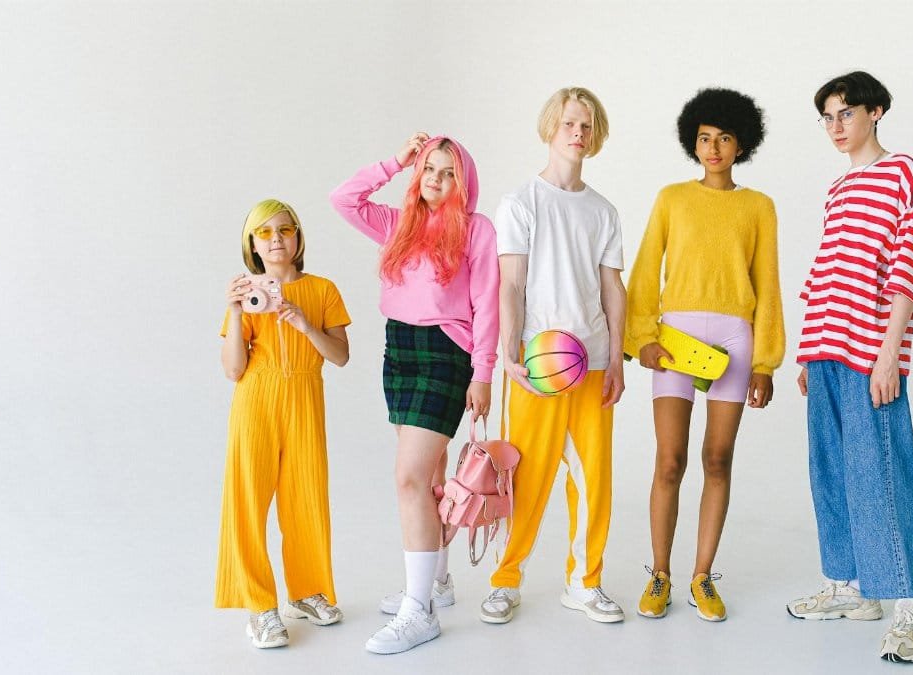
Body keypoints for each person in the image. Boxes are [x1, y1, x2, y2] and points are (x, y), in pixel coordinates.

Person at [330, 133, 499, 654]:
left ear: (462, 181)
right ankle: (438, 583)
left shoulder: (476, 230)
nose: (436, 179)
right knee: (428, 475)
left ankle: (418, 609)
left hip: (448, 352)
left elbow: (489, 304)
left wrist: (483, 373)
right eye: (429, 168)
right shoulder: (397, 224)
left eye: (448, 172)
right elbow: (344, 198)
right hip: (399, 349)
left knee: (408, 478)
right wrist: (395, 159)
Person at [787, 70, 913, 664]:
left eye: (845, 113)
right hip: (825, 348)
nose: (836, 127)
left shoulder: (904, 173)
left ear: (875, 112)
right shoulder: (838, 189)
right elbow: (827, 272)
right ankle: (850, 589)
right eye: (827, 117)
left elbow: (907, 265)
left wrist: (889, 354)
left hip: (871, 351)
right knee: (831, 472)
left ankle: (909, 610)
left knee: (880, 476)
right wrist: (807, 349)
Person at [626, 87, 784, 622]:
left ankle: (701, 576)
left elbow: (767, 284)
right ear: (692, 143)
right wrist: (641, 334)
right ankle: (660, 574)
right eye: (703, 139)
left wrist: (765, 361)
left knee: (717, 460)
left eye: (723, 139)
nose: (712, 148)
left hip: (735, 340)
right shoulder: (672, 197)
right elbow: (647, 269)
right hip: (674, 340)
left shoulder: (759, 206)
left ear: (741, 144)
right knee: (668, 461)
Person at [478, 86, 627, 625]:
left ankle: (584, 583)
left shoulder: (604, 211)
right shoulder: (521, 202)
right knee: (523, 476)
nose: (578, 134)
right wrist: (509, 352)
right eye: (569, 123)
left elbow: (613, 289)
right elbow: (510, 284)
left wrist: (615, 360)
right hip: (537, 366)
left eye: (586, 126)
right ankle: (504, 579)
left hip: (590, 363)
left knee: (593, 479)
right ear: (551, 127)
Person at [215, 199, 350, 649]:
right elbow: (234, 370)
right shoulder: (249, 294)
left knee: (306, 496)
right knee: (248, 501)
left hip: (306, 399)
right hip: (257, 400)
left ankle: (308, 591)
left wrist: (306, 325)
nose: (276, 240)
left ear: (298, 237)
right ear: (252, 244)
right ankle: (260, 607)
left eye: (285, 230)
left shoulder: (323, 289)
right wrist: (236, 311)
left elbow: (341, 356)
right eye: (265, 233)